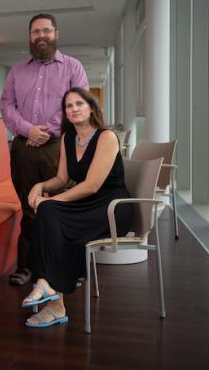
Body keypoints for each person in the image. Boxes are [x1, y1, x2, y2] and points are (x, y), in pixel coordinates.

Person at [21, 87, 133, 328]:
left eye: (79, 104)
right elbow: (61, 179)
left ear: (91, 108)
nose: (74, 109)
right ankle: (51, 293)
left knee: (50, 211)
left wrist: (51, 200)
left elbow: (92, 185)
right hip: (87, 205)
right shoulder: (67, 138)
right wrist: (40, 186)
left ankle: (48, 290)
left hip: (112, 207)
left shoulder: (106, 137)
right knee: (49, 214)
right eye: (69, 106)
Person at [0, 13, 89, 286]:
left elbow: (78, 104)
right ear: (29, 36)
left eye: (46, 31)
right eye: (36, 31)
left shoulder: (73, 68)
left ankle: (67, 267)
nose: (41, 36)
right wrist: (28, 130)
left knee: (63, 205)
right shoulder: (17, 70)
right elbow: (6, 105)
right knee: (29, 208)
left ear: (56, 34)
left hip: (60, 147)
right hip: (23, 147)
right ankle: (28, 267)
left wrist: (46, 130)